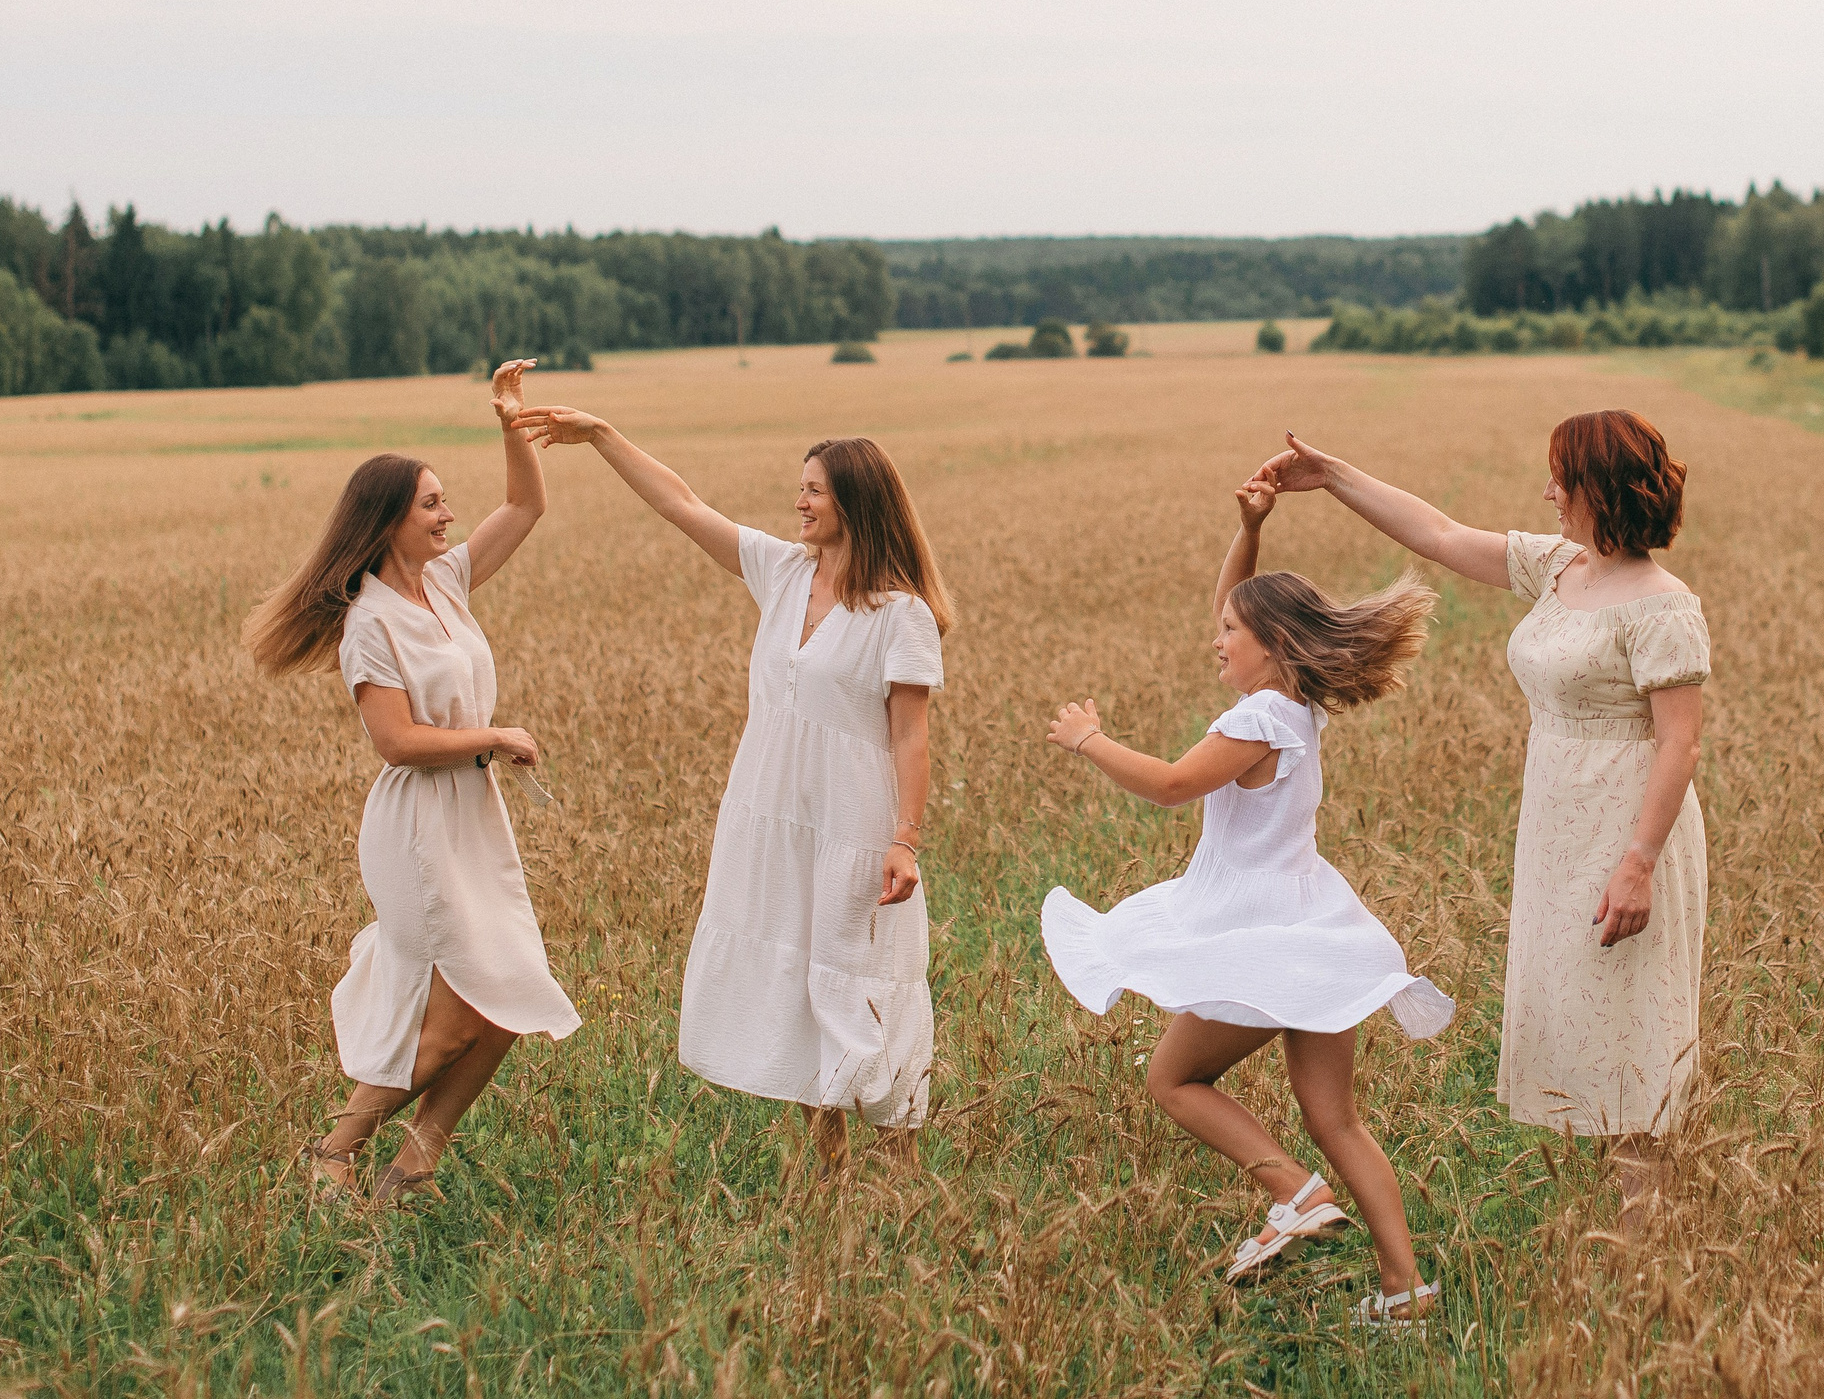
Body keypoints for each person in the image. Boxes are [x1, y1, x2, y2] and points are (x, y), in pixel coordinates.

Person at [1257, 411, 1709, 1233]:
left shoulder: (1664, 606)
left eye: (1560, 479)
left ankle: (1645, 1248)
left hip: (1628, 827)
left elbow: (1679, 741)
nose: (1547, 493)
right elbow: (1435, 532)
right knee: (1582, 1016)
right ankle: (1615, 1230)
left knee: (1632, 1027)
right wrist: (1333, 476)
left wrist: (1638, 861)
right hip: (1558, 827)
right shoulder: (1560, 567)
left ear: (1602, 490)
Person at [1040, 473, 1451, 1327]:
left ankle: (1292, 1193)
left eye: (1230, 630)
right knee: (1337, 1116)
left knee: (1174, 1074)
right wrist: (1249, 527)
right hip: (1319, 928)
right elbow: (1237, 605)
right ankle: (1404, 1289)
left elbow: (1170, 784)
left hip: (1262, 932)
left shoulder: (1258, 718)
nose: (1216, 637)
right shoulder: (1296, 708)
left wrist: (1090, 740)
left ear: (1270, 642)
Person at [513, 404, 949, 1165]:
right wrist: (605, 436)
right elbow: (682, 504)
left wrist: (905, 840)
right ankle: (831, 1176)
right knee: (798, 984)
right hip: (773, 815)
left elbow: (911, 737)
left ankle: (902, 1169)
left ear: (856, 502)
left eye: (815, 490)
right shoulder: (783, 572)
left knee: (859, 983)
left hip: (854, 824)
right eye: (801, 488)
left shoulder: (899, 613)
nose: (800, 502)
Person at [245, 359, 581, 1206]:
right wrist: (495, 735)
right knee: (460, 1012)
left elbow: (528, 506)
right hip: (419, 825)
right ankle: (333, 1153)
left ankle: (416, 1162)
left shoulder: (446, 581)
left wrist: (511, 421)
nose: (449, 514)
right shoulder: (368, 621)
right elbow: (395, 742)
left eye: (444, 500)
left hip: (473, 815)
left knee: (511, 993)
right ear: (388, 520)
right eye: (431, 503)